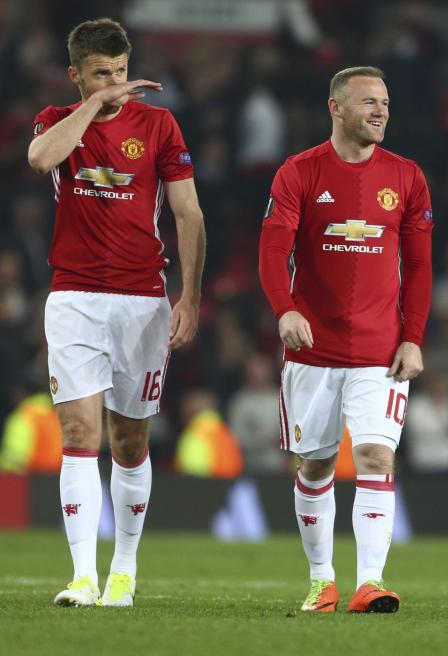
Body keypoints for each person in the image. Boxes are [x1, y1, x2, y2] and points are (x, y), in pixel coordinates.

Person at [27, 18, 205, 608]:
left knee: (128, 441)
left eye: (121, 71)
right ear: (76, 75)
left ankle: (123, 570)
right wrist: (95, 106)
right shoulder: (58, 121)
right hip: (75, 297)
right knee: (78, 432)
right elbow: (40, 159)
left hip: (141, 301)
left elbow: (188, 216)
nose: (116, 84)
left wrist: (191, 295)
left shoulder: (158, 124)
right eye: (101, 74)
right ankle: (82, 575)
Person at [258, 66, 433, 614]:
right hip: (313, 349)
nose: (380, 111)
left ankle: (370, 583)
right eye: (367, 103)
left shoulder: (406, 177)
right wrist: (284, 310)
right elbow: (270, 252)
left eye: (384, 102)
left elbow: (422, 267)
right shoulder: (299, 172)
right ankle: (321, 581)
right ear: (335, 107)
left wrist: (414, 337)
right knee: (315, 466)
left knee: (378, 454)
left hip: (381, 353)